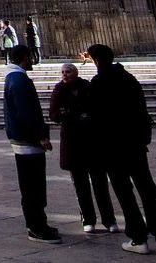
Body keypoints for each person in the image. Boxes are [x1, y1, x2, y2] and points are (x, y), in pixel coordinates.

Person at [86, 43, 156, 255]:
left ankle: (138, 238)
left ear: (96, 60)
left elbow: (94, 118)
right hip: (136, 144)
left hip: (113, 147)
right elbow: (142, 110)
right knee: (148, 190)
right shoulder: (130, 79)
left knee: (125, 192)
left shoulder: (98, 83)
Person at [48, 61, 117, 235]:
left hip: (92, 141)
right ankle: (88, 220)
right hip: (73, 143)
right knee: (81, 186)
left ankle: (109, 220)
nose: (65, 74)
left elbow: (98, 109)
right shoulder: (58, 90)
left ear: (76, 73)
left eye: (68, 71)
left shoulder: (88, 87)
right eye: (63, 72)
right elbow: (54, 115)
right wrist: (69, 113)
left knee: (100, 184)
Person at [4, 44, 60, 244]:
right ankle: (35, 227)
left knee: (34, 184)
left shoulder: (14, 78)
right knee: (32, 185)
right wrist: (40, 135)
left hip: (25, 139)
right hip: (27, 140)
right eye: (30, 56)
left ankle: (39, 223)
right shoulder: (18, 80)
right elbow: (26, 111)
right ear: (25, 57)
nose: (33, 60)